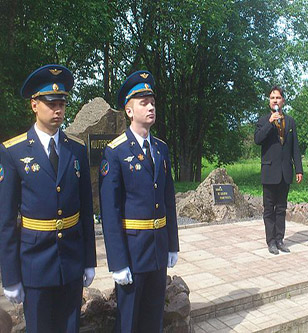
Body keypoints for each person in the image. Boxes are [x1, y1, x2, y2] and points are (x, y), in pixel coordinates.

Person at [0, 64, 96, 332]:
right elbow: (6, 221)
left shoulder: (76, 149)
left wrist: (89, 261)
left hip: (71, 262)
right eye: (51, 103)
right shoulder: (13, 152)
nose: (58, 110)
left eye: (62, 103)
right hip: (35, 265)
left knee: (70, 328)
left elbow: (86, 211)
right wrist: (10, 277)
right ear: (34, 104)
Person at [99, 70, 179, 332]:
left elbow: (168, 199)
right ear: (129, 111)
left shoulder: (160, 148)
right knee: (130, 319)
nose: (151, 107)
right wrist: (118, 262)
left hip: (157, 248)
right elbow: (110, 212)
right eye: (143, 103)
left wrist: (172, 245)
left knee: (153, 316)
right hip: (133, 251)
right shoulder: (116, 151)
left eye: (152, 102)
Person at [254, 86, 303, 255]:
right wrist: (269, 123)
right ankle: (271, 242)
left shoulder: (290, 121)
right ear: (269, 101)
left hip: (285, 171)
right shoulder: (263, 120)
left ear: (283, 101)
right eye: (272, 97)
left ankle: (280, 239)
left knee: (281, 208)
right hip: (269, 172)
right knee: (269, 209)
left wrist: (299, 169)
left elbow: (295, 147)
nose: (275, 100)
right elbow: (258, 140)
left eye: (278, 97)